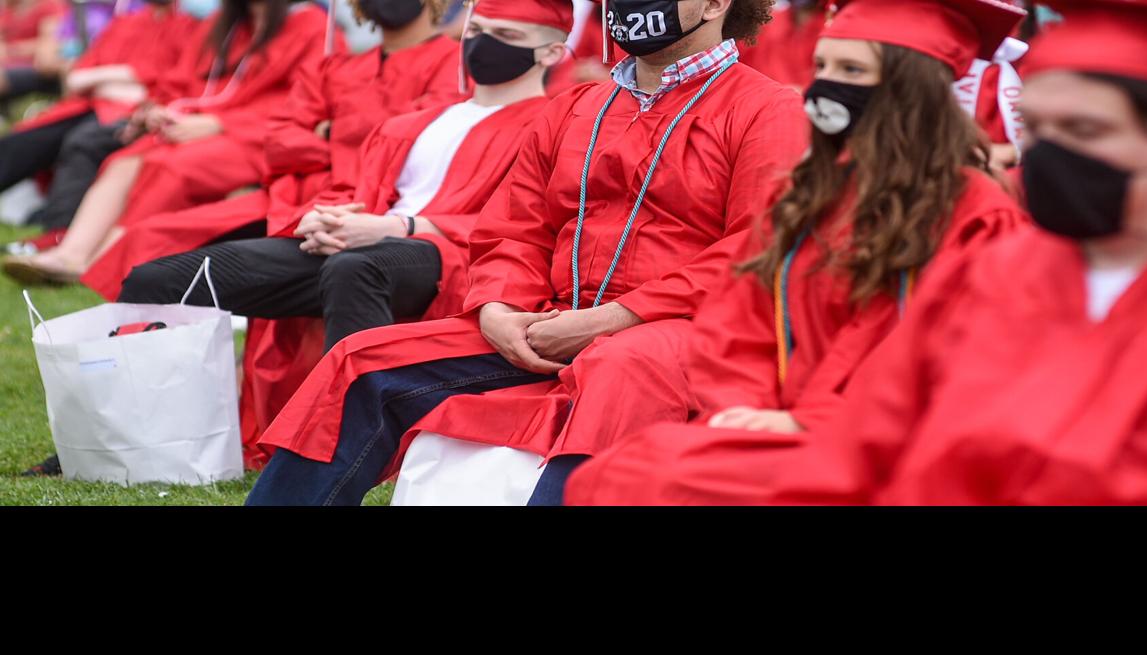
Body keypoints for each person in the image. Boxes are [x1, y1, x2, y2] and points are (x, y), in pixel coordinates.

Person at [574, 0, 1147, 505]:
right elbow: (740, 318)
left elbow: (912, 389)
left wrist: (811, 422)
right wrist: (744, 405)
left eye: (1084, 130)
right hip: (848, 442)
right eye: (1035, 129)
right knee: (631, 471)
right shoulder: (816, 199)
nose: (1045, 154)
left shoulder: (983, 223)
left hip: (871, 447)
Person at [245, 0, 806, 505]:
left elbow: (755, 249)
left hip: (685, 325)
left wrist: (612, 319)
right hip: (549, 315)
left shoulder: (767, 109)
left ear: (715, 4)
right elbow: (515, 229)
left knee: (620, 368)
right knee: (361, 359)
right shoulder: (576, 106)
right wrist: (498, 309)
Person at [112, 0, 562, 354]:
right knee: (157, 280)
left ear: (552, 52)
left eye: (505, 35)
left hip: (446, 257)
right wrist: (322, 218)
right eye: (477, 32)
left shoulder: (552, 125)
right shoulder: (411, 123)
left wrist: (397, 227)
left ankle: (340, 445)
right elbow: (353, 185)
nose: (483, 45)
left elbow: (522, 222)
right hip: (360, 240)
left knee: (355, 268)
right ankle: (118, 432)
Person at [2, 0, 339, 285]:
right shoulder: (225, 25)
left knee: (168, 166)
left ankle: (106, 263)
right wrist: (162, 111)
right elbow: (181, 82)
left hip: (258, 138)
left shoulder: (311, 26)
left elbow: (300, 102)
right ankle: (71, 255)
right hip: (195, 129)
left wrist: (217, 122)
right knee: (125, 160)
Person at [0, 0, 198, 239]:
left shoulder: (190, 25)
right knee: (26, 139)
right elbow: (80, 75)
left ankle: (56, 234)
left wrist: (105, 81)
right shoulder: (127, 21)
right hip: (88, 104)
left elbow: (167, 81)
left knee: (83, 142)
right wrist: (120, 79)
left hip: (135, 112)